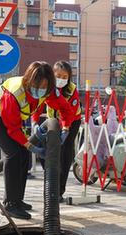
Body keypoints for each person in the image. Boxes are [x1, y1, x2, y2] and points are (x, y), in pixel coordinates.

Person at [0, 61, 73, 220]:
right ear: (28, 81)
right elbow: (13, 129)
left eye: (44, 87)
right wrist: (32, 146)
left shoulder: (48, 90)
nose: (39, 90)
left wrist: (65, 128)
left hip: (13, 120)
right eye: (36, 85)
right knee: (14, 154)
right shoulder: (14, 93)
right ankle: (10, 205)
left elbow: (64, 108)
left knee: (23, 156)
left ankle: (18, 200)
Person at [48, 61, 82, 202]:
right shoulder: (47, 86)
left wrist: (65, 128)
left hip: (71, 122)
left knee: (64, 154)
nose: (61, 79)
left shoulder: (72, 89)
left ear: (69, 77)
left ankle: (59, 191)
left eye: (64, 76)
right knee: (51, 155)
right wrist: (34, 121)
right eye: (58, 75)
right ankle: (50, 187)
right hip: (52, 122)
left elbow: (69, 112)